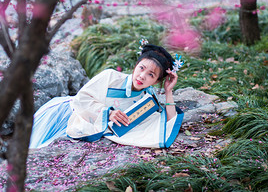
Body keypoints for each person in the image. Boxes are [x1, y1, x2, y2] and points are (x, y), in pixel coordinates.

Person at [29, 44, 184, 149]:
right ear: (136, 66)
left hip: (92, 123)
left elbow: (169, 122)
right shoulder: (111, 76)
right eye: (141, 68)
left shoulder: (147, 97)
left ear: (156, 81)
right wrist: (108, 113)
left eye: (151, 75)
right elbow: (81, 99)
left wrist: (168, 91)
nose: (142, 76)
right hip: (68, 113)